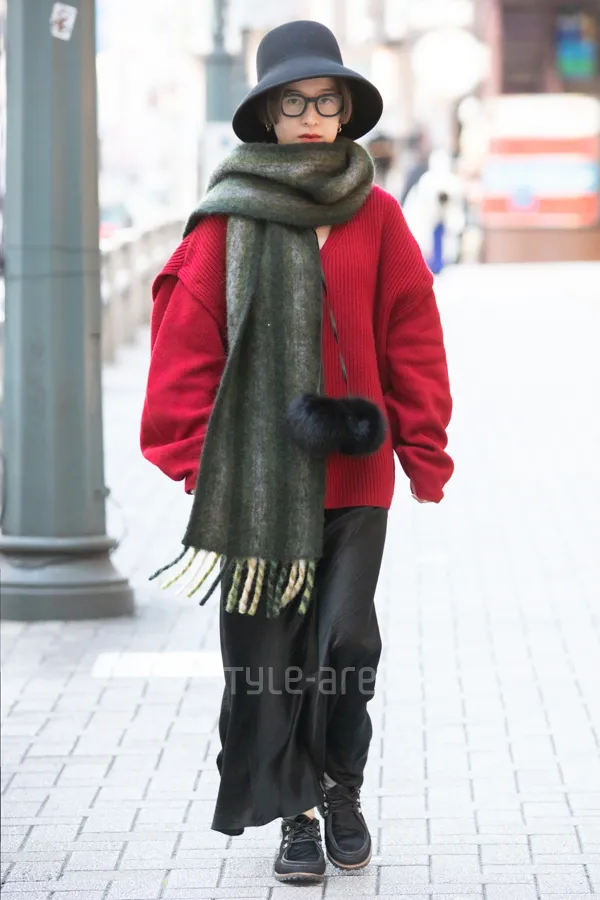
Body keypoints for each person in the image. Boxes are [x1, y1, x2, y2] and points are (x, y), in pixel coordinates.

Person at [140, 19, 454, 885]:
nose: (312, 116)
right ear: (268, 115)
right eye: (294, 102)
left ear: (346, 111)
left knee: (347, 646)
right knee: (271, 666)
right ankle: (300, 816)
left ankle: (342, 787)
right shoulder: (227, 221)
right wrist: (198, 461)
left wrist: (424, 448)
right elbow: (183, 345)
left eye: (326, 101)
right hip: (259, 487)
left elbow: (412, 334)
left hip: (357, 475)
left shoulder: (378, 215)